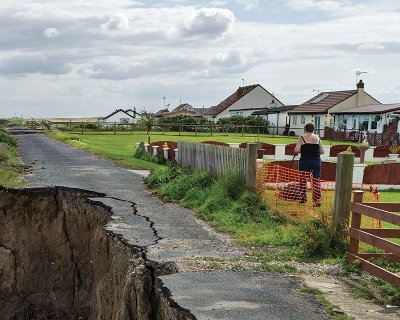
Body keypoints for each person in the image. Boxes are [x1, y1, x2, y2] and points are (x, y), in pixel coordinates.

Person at [294, 122, 325, 206]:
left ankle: (303, 198)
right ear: (313, 129)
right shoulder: (317, 138)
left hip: (305, 161)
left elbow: (296, 150)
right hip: (316, 161)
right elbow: (322, 151)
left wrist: (304, 150)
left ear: (305, 129)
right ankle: (317, 200)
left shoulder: (301, 137)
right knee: (316, 180)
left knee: (303, 180)